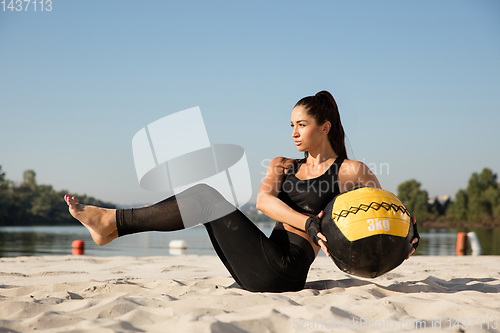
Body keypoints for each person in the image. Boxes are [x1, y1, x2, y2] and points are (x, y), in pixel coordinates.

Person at [65, 90, 419, 293]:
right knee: (204, 199)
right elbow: (264, 202)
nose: (294, 132)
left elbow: (386, 215)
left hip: (287, 270)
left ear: (324, 127)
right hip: (263, 258)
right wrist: (310, 222)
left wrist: (408, 235)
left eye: (302, 124)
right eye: (291, 125)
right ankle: (112, 224)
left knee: (204, 197)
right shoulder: (283, 164)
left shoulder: (350, 171)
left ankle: (112, 222)